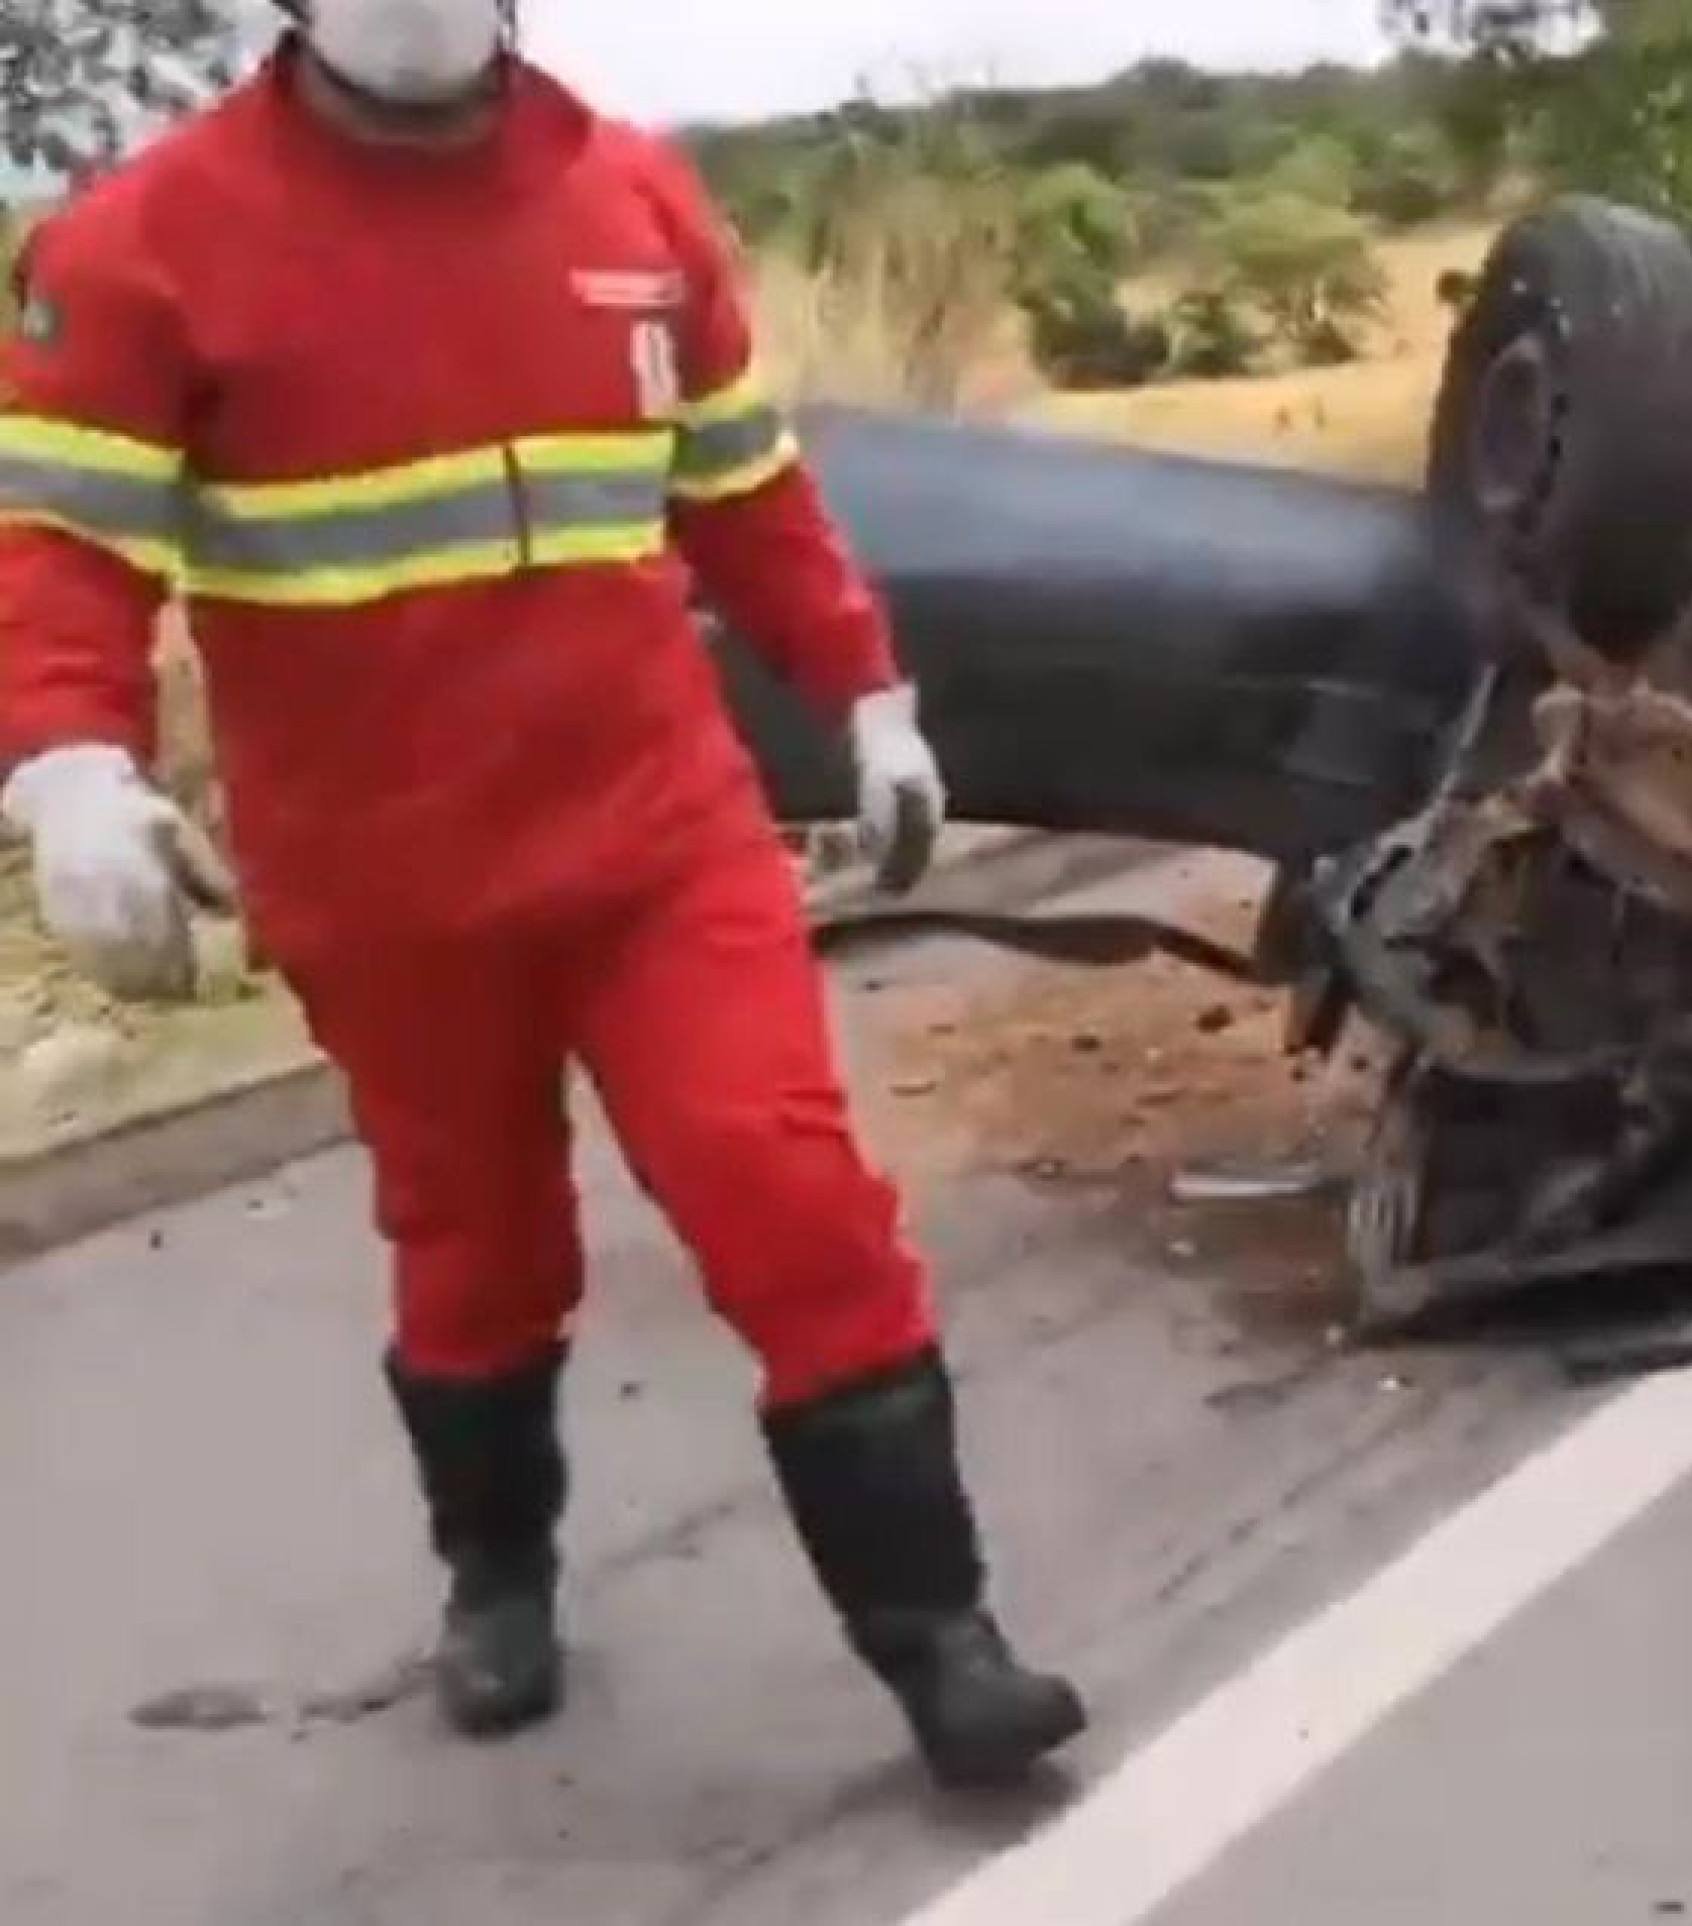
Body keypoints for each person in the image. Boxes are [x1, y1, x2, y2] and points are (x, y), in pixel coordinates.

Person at [0, 0, 1086, 1785]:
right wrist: (71, 765)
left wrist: (868, 695)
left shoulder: (634, 208)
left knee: (787, 1189)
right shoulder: (143, 248)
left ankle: (944, 1645)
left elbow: (749, 495)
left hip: (659, 842)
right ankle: (495, 1576)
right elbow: (64, 551)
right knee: (477, 1246)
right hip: (384, 883)